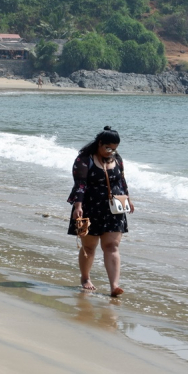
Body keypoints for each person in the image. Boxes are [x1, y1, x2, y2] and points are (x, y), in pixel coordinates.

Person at [67, 126, 134, 296]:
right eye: (108, 148)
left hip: (115, 208)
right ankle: (85, 278)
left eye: (115, 148)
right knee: (89, 247)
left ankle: (114, 286)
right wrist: (78, 206)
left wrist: (128, 198)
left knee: (112, 245)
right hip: (89, 207)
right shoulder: (84, 159)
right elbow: (80, 185)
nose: (111, 151)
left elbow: (122, 180)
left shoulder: (117, 159)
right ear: (99, 143)